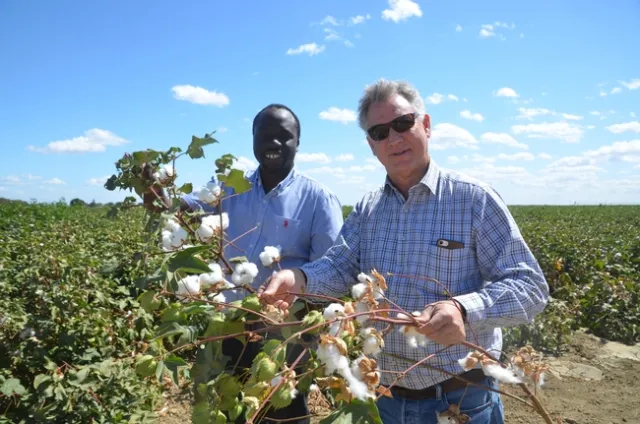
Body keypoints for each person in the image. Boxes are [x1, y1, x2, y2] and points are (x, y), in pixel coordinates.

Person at [258, 80, 549, 424]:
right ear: (371, 145)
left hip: (460, 401)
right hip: (384, 401)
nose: (393, 138)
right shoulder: (369, 208)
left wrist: (463, 310)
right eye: (380, 132)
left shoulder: (473, 200)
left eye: (402, 123)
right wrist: (299, 277)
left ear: (425, 125)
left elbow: (529, 286)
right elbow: (340, 265)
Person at [143, 103, 345, 424]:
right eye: (266, 135)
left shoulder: (318, 199)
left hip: (285, 335)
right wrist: (161, 196)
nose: (274, 143)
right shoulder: (230, 185)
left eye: (284, 137)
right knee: (230, 406)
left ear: (298, 142)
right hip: (230, 326)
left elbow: (333, 270)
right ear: (253, 138)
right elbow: (189, 208)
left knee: (283, 413)